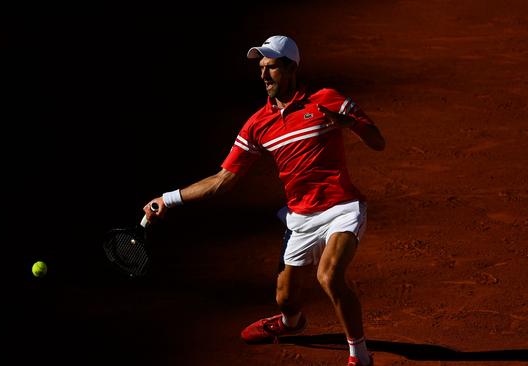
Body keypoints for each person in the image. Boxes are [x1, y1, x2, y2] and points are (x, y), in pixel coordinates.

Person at [143, 35, 385, 366]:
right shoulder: (258, 124)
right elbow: (222, 180)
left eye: (271, 67)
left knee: (328, 276)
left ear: (290, 68)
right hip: (300, 218)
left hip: (342, 209)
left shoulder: (326, 100)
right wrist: (168, 200)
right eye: (261, 68)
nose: (263, 75)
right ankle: (291, 323)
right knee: (284, 298)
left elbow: (377, 141)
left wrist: (348, 123)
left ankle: (360, 356)